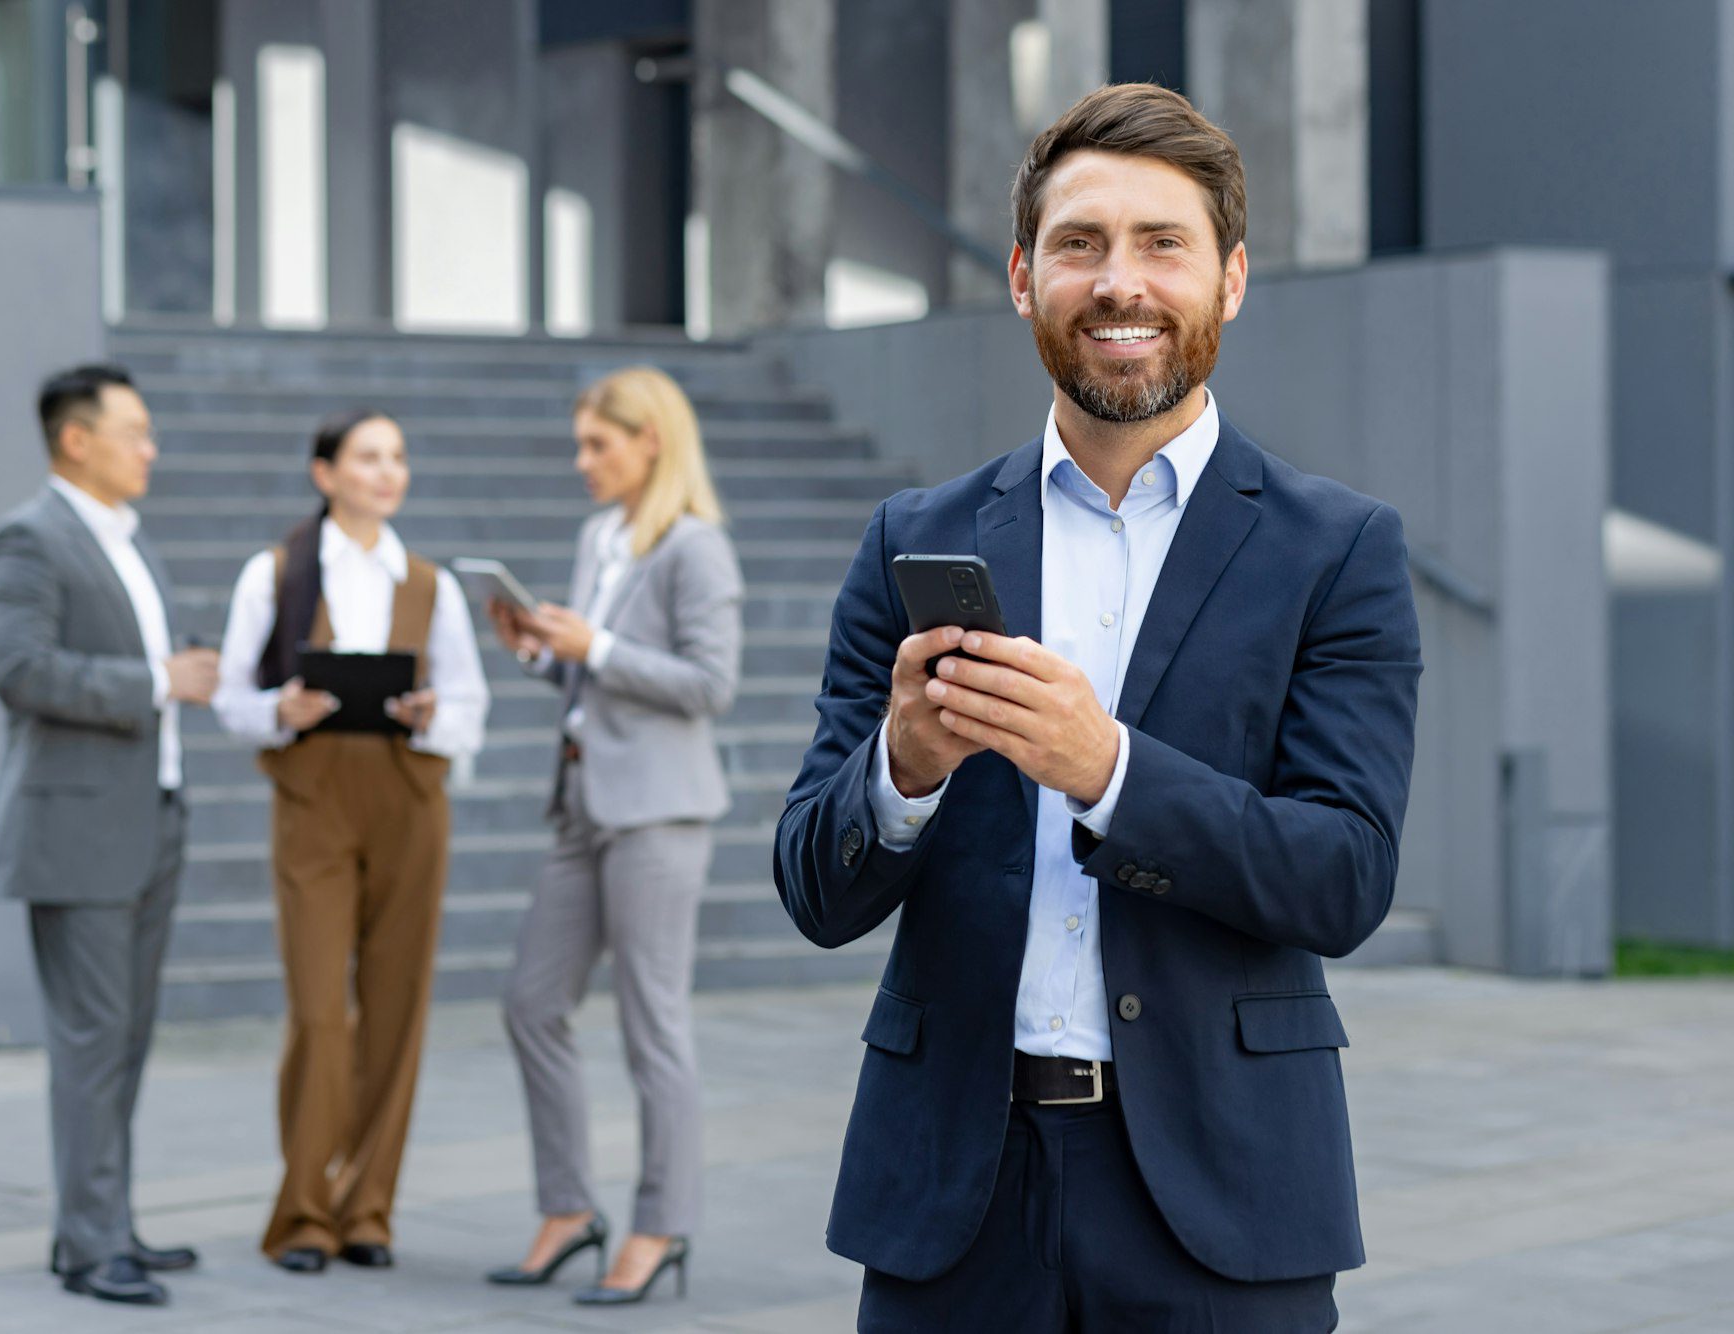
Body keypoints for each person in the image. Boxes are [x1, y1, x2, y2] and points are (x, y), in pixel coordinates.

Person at [775, 84, 1423, 1332]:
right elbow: (812, 888)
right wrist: (901, 769)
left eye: (1161, 243)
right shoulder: (916, 537)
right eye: (1078, 243)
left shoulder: (1335, 549)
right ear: (1022, 276)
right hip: (950, 1197)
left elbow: (1341, 876)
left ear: (1229, 280)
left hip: (1220, 1198)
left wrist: (1108, 769)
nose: (1117, 281)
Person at [487, 366, 743, 1307]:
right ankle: (567, 1208)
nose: (582, 461)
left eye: (598, 444)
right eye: (582, 442)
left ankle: (661, 1223)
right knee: (530, 1002)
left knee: (652, 1026)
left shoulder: (695, 548)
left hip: (659, 813)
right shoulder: (601, 537)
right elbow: (595, 679)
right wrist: (539, 652)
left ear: (652, 443)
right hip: (582, 801)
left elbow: (710, 686)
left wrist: (589, 648)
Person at [212, 410, 489, 1273]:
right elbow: (229, 695)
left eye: (398, 457)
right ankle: (302, 1212)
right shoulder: (276, 572)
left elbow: (470, 703)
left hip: (410, 795)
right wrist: (277, 711)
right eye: (368, 457)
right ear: (324, 472)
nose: (386, 472)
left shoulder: (428, 582)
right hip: (315, 796)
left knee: (398, 1012)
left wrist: (434, 715)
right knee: (321, 1014)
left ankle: (368, 1208)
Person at [0, 363, 220, 1307]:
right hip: (77, 833)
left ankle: (104, 1221)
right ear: (77, 440)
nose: (151, 449)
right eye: (136, 432)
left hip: (150, 817)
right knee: (91, 1041)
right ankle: (89, 1245)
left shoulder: (127, 541)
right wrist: (157, 683)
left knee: (126, 1039)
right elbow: (22, 671)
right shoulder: (28, 539)